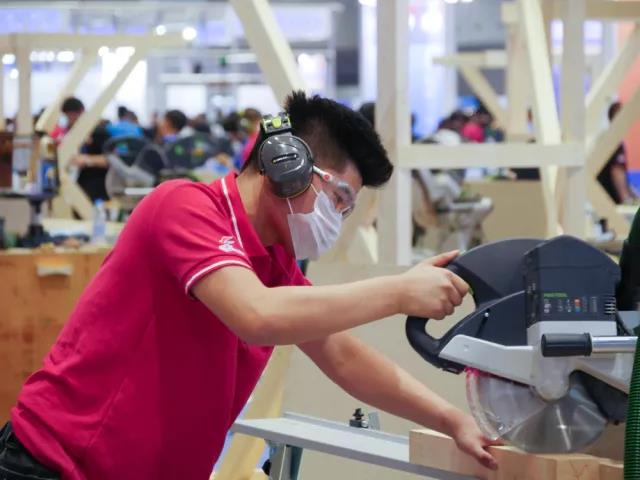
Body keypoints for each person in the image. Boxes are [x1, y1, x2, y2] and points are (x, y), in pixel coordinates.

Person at [1, 92, 499, 480]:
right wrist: (398, 292)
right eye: (339, 197)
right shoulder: (183, 208)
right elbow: (256, 317)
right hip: (56, 465)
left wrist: (451, 421)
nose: (339, 218)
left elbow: (344, 357)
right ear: (288, 165)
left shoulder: (275, 263)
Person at [597, 101, 638, 204]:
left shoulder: (611, 140)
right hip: (610, 204)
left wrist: (633, 196)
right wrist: (626, 200)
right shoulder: (612, 142)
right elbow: (617, 172)